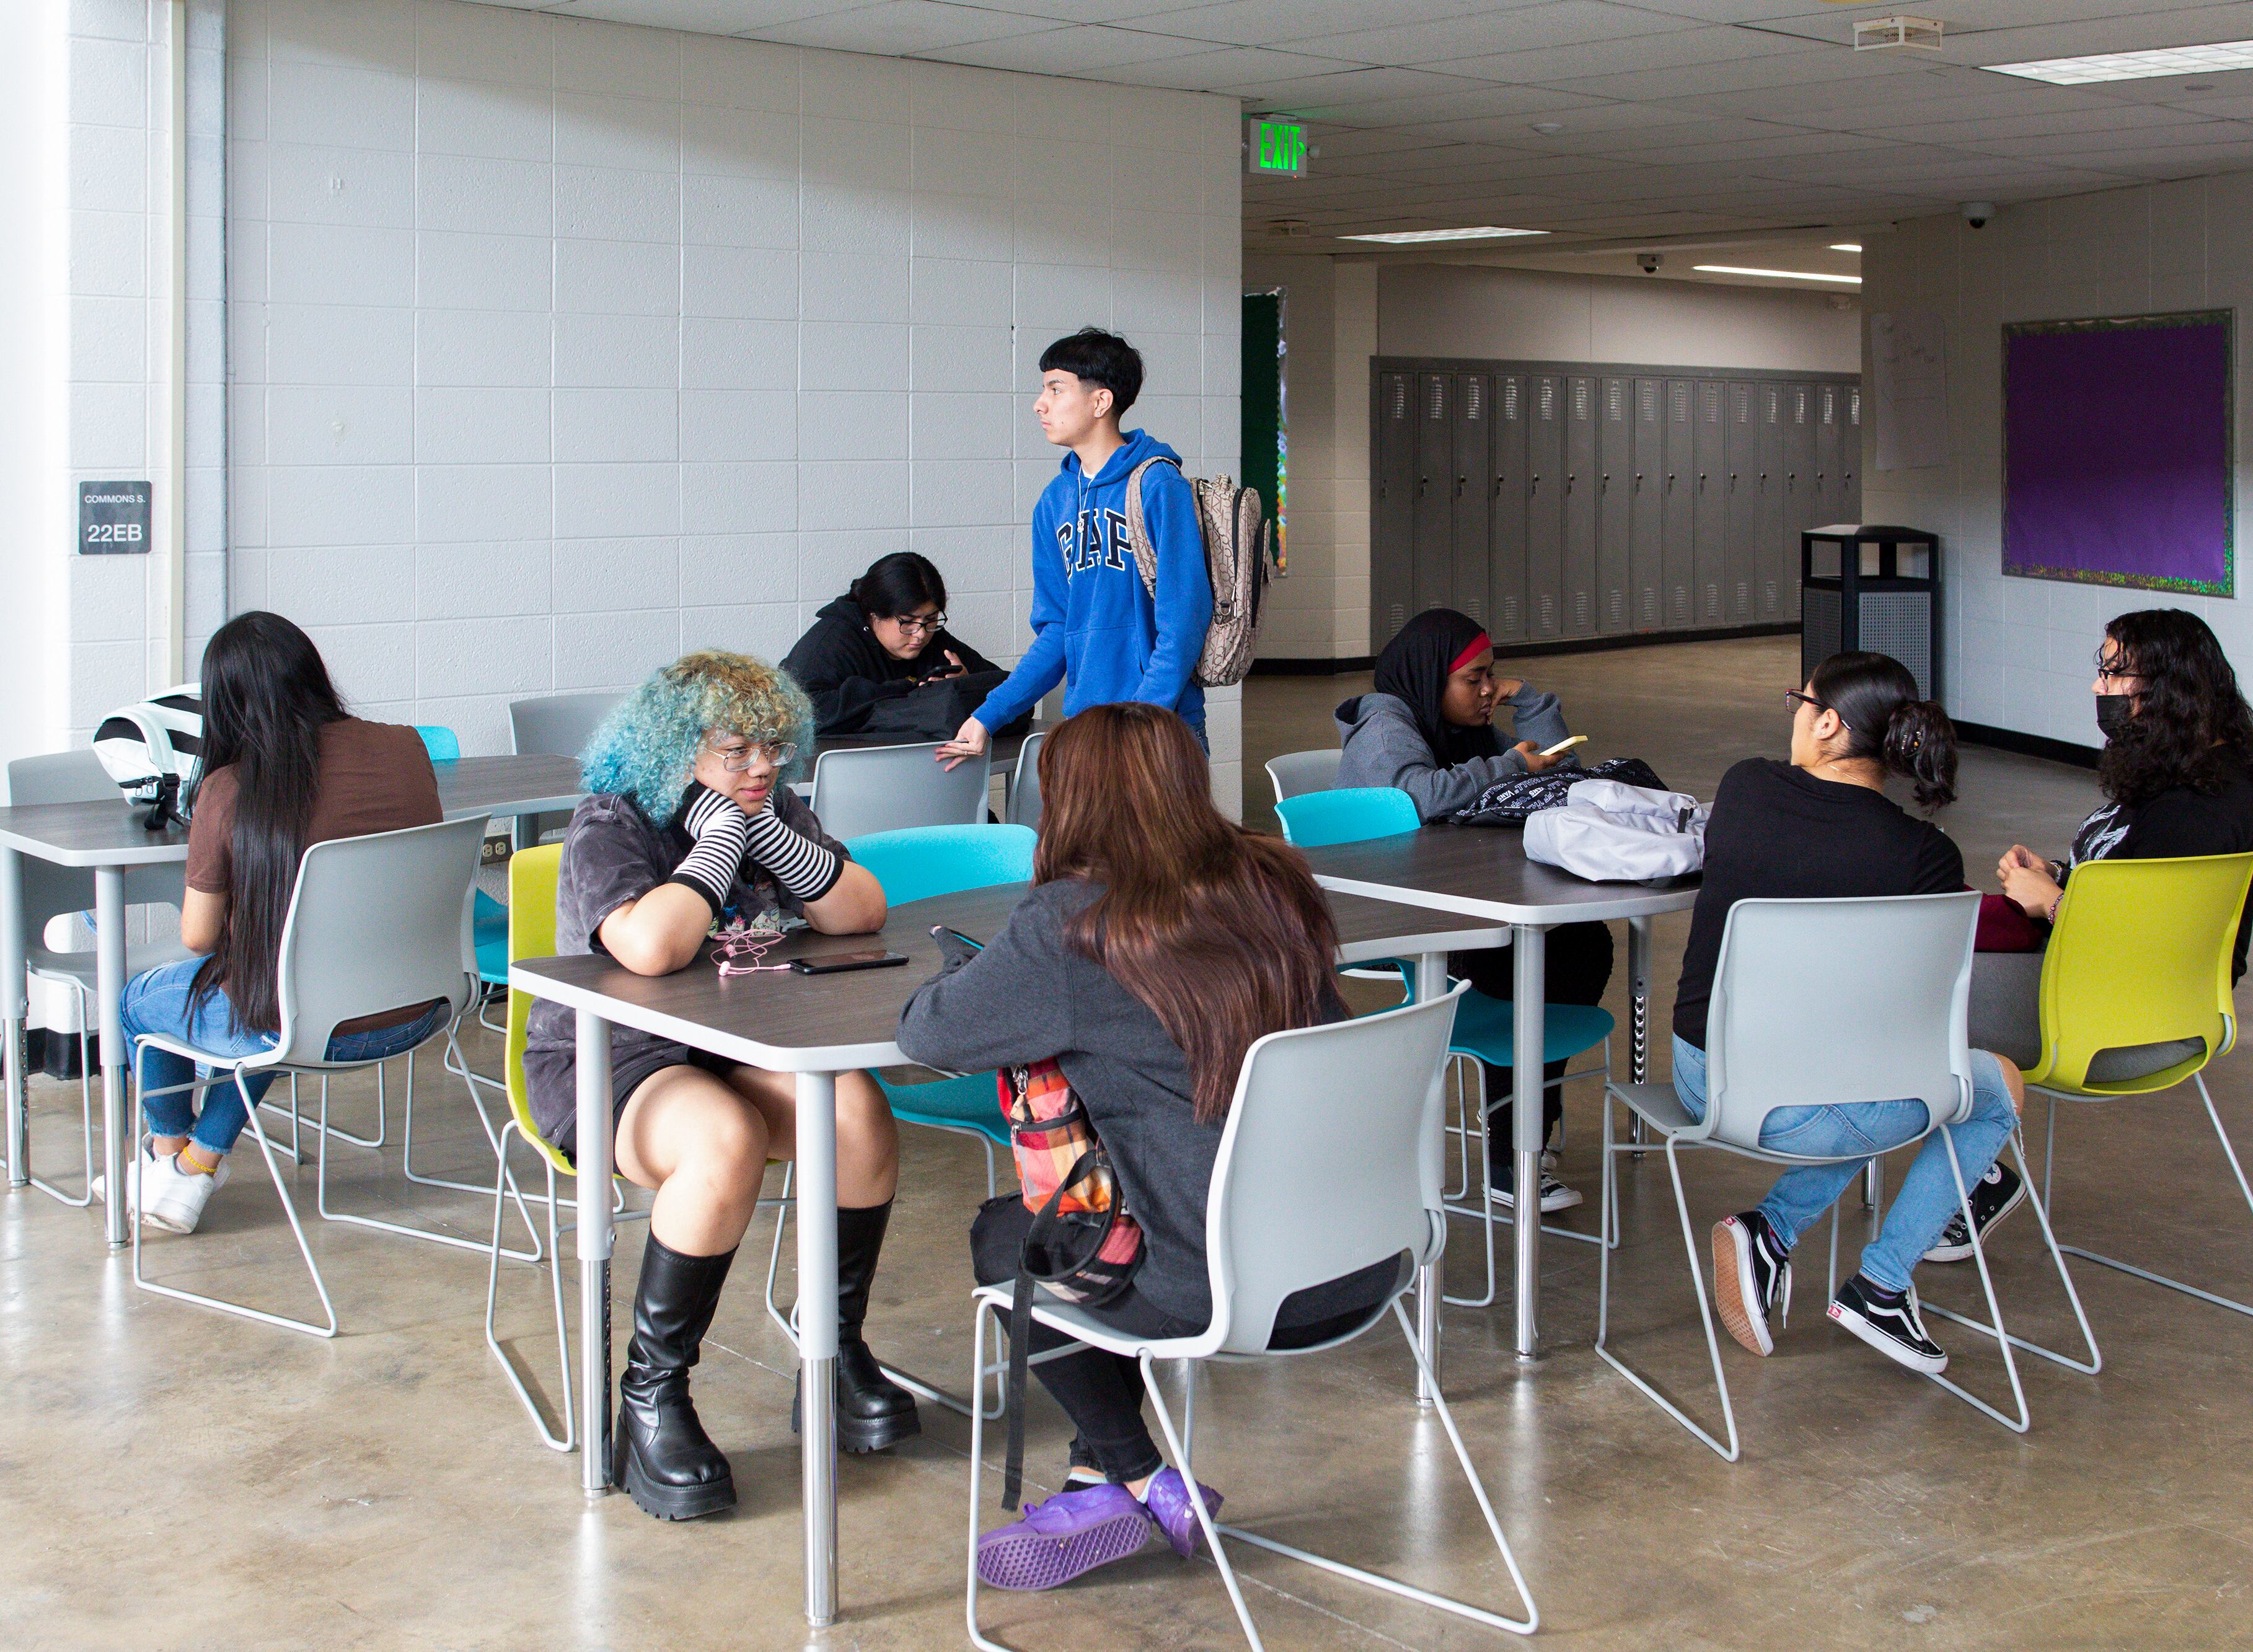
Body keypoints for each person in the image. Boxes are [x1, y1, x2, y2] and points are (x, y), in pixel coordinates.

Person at [898, 703, 1398, 1593]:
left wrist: (971, 974)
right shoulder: (1275, 882)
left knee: (1010, 1237)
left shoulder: (1070, 922)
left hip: (1219, 1285)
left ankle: (1137, 1472)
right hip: (1359, 1263)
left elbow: (931, 1035)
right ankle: (1095, 1481)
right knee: (1108, 1216)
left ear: (1068, 801)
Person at [520, 650, 909, 1521]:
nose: (763, 766)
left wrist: (766, 832)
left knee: (855, 1113)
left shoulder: (769, 807)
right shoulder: (611, 821)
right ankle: (652, 1394)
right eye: (737, 751)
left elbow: (862, 909)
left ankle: (832, 1353)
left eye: (772, 747)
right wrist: (720, 844)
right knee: (723, 1138)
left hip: (741, 1036)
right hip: (612, 1057)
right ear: (674, 749)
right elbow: (652, 949)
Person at [1673, 651, 2026, 1377]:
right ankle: (1879, 1283)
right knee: (1984, 1089)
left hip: (1703, 1073)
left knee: (1880, 1074)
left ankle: (1772, 1237)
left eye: (1799, 703)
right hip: (1809, 1096)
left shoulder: (1744, 786)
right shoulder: (1924, 854)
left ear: (1828, 723)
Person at [1942, 609, 2253, 1265]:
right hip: (2137, 1006)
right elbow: (2142, 897)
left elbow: (2135, 946)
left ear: (2167, 687)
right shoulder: (2183, 780)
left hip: (2117, 1025)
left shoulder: (2196, 811)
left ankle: (1977, 1176)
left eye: (2113, 671)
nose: (2098, 687)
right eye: (2100, 670)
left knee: (1917, 990)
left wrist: (2054, 904)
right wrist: (2064, 878)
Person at [112, 611, 449, 1237]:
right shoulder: (407, 745)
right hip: (419, 1009)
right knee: (280, 978)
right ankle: (194, 1165)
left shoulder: (229, 788)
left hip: (309, 1025)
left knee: (139, 1002)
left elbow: (198, 937)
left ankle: (173, 1165)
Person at [1334, 607, 1608, 1214]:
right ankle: (1514, 1153)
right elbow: (1416, 797)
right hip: (1396, 911)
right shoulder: (1385, 727)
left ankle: (1529, 1125)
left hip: (1454, 895)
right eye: (1473, 679)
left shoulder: (1465, 733)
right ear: (1432, 679)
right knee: (1517, 964)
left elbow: (1557, 769)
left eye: (1493, 676)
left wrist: (1531, 699)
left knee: (1581, 941)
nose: (1489, 690)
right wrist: (1512, 765)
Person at [936, 329, 1212, 768]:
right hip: (1088, 730)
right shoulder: (1055, 501)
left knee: (1166, 842)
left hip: (1158, 729)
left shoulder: (1159, 485)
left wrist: (1141, 719)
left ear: (1100, 402)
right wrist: (987, 716)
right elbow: (1056, 632)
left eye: (1055, 388)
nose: (1039, 403)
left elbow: (1184, 621)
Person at [779, 550, 1001, 739]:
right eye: (907, 622)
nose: (920, 635)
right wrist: (906, 689)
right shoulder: (830, 643)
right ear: (874, 613)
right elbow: (798, 714)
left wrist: (968, 684)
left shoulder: (936, 641)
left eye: (931, 619)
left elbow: (1010, 690)